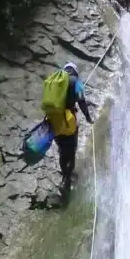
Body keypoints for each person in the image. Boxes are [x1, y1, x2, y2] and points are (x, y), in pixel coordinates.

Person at [48, 62, 93, 199]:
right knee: (71, 149)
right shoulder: (76, 81)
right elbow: (81, 101)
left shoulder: (56, 80)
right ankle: (67, 179)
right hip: (69, 122)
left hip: (54, 121)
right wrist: (88, 118)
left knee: (62, 150)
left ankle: (64, 176)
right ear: (75, 71)